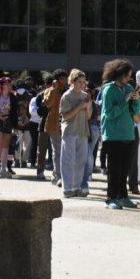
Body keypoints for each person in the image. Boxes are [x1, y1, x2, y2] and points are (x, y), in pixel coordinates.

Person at [100, 59, 140, 210]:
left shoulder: (129, 87)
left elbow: (135, 111)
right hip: (113, 136)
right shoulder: (108, 90)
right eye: (127, 75)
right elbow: (109, 114)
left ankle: (123, 196)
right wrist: (125, 100)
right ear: (119, 74)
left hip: (129, 134)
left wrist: (135, 100)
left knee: (125, 169)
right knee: (114, 169)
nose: (129, 78)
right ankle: (111, 198)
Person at [59, 70, 92, 198]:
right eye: (79, 82)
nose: (82, 85)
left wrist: (88, 106)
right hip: (70, 131)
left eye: (84, 82)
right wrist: (80, 107)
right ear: (72, 82)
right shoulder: (67, 96)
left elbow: (88, 117)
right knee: (68, 160)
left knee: (81, 160)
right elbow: (66, 116)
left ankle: (77, 187)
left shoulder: (85, 96)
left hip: (83, 131)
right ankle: (67, 188)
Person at [0, 77, 19, 178]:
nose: (10, 85)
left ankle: (4, 169)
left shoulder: (13, 97)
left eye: (10, 83)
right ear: (2, 85)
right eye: (7, 83)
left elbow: (14, 112)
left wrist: (15, 126)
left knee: (6, 146)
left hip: (8, 121)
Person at [40, 71, 67, 183]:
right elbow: (48, 104)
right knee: (57, 151)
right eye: (62, 79)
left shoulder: (68, 91)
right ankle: (58, 175)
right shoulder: (49, 91)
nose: (64, 81)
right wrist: (54, 89)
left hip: (66, 123)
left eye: (65, 79)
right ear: (56, 80)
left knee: (65, 151)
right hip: (54, 124)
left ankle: (61, 174)